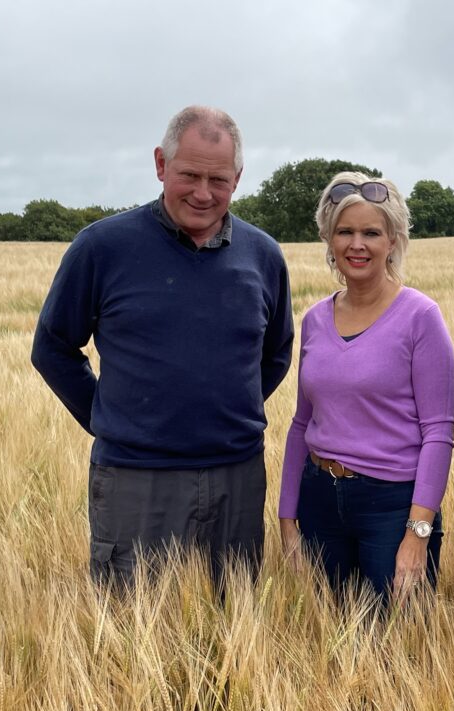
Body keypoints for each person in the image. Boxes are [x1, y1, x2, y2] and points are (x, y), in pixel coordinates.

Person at [31, 105, 294, 588]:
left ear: (237, 178)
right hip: (135, 478)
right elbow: (52, 347)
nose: (202, 193)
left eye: (218, 180)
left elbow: (276, 352)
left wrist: (229, 413)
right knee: (134, 631)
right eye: (189, 175)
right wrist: (109, 418)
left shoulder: (263, 256)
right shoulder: (101, 248)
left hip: (237, 474)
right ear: (160, 165)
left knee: (234, 621)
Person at [277, 171, 454, 602]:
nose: (357, 245)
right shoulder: (315, 319)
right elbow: (302, 422)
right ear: (329, 239)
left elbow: (439, 431)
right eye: (345, 232)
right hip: (320, 499)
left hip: (391, 506)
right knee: (328, 635)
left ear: (392, 240)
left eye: (371, 232)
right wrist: (287, 517)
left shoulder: (420, 317)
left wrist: (418, 535)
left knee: (396, 645)